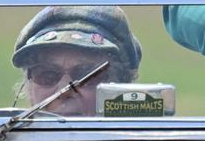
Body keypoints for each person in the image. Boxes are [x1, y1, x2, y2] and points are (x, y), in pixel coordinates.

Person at [11, 6, 142, 117]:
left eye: (87, 76)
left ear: (121, 87)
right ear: (29, 88)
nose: (64, 89)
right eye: (47, 75)